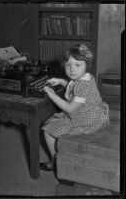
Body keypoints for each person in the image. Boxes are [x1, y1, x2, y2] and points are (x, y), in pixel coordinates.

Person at [40, 43, 110, 171]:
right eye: (68, 65)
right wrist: (61, 81)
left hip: (86, 120)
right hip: (93, 112)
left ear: (86, 66)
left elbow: (70, 109)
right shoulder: (85, 77)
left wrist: (53, 95)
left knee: (47, 130)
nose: (72, 69)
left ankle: (54, 161)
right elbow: (74, 88)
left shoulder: (82, 85)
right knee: (53, 119)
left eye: (77, 65)